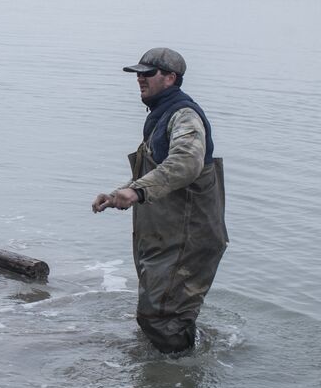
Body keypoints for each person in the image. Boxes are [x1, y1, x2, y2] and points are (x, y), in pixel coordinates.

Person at [92, 47, 228, 354]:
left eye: (147, 74)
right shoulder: (160, 116)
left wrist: (137, 192)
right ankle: (174, 372)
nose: (140, 79)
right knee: (161, 313)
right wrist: (118, 194)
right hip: (165, 238)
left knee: (161, 317)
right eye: (137, 74)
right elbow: (157, 169)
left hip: (187, 239)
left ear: (170, 78)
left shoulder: (184, 116)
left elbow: (186, 163)